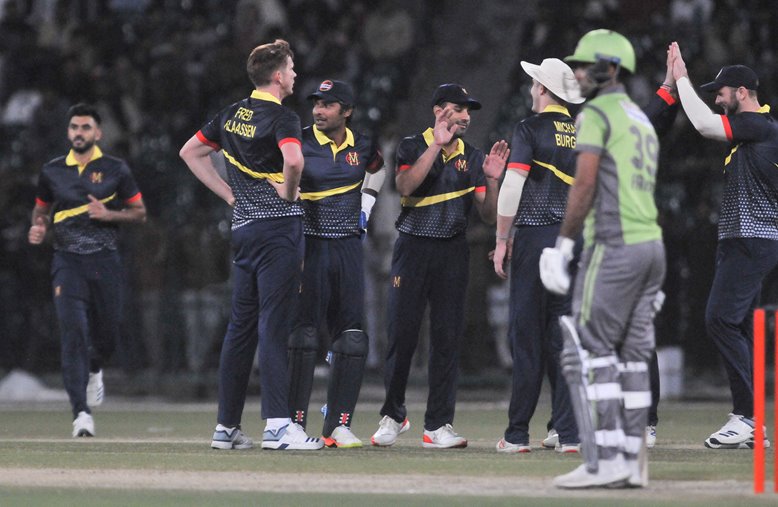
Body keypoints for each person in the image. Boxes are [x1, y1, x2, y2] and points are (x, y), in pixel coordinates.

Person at [179, 39, 322, 451]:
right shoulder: (283, 117)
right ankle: (278, 425)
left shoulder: (230, 115)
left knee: (240, 328)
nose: (295, 75)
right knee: (274, 324)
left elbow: (189, 152)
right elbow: (293, 161)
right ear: (277, 76)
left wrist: (227, 194)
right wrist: (291, 193)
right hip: (278, 231)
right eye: (291, 69)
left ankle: (226, 428)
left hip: (242, 230)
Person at [540, 29, 665, 488]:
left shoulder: (597, 112)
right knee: (633, 357)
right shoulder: (639, 116)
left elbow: (585, 184)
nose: (576, 73)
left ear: (608, 68)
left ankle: (605, 459)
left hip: (613, 244)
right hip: (651, 245)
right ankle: (632, 460)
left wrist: (564, 244)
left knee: (587, 351)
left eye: (584, 64)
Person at [371, 83, 509, 449]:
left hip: (452, 251)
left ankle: (438, 424)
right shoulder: (412, 146)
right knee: (402, 335)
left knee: (447, 339)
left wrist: (493, 181)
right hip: (412, 248)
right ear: (438, 111)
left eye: (468, 110)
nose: (466, 116)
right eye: (459, 108)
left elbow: (488, 215)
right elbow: (404, 186)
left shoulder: (475, 156)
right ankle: (394, 414)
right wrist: (436, 145)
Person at [670, 42, 778, 450]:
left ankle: (748, 416)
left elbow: (702, 124)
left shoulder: (758, 125)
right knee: (738, 326)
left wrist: (680, 78)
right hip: (746, 240)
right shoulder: (756, 133)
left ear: (743, 93)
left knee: (719, 319)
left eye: (721, 92)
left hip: (752, 239)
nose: (717, 98)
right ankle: (751, 420)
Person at [28, 103, 147, 437]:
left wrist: (110, 216)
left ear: (98, 133)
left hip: (105, 261)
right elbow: (40, 212)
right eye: (74, 128)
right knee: (73, 333)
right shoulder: (52, 171)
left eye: (85, 128)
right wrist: (38, 228)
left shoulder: (115, 169)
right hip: (67, 262)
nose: (78, 133)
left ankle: (96, 366)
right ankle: (80, 412)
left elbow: (139, 212)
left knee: (107, 333)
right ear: (68, 132)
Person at [491, 58, 584, 454]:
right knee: (563, 337)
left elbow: (513, 185)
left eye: (534, 84)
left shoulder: (530, 128)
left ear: (543, 89)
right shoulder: (583, 134)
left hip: (535, 238)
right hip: (572, 240)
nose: (531, 90)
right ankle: (568, 433)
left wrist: (500, 237)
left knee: (525, 336)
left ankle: (516, 434)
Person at [287, 79, 385, 448]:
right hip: (309, 247)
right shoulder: (298, 141)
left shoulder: (361, 145)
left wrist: (367, 204)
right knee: (303, 334)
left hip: (347, 246)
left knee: (354, 337)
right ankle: (294, 423)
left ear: (346, 110)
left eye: (327, 104)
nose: (318, 110)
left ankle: (338, 424)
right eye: (316, 103)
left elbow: (378, 169)